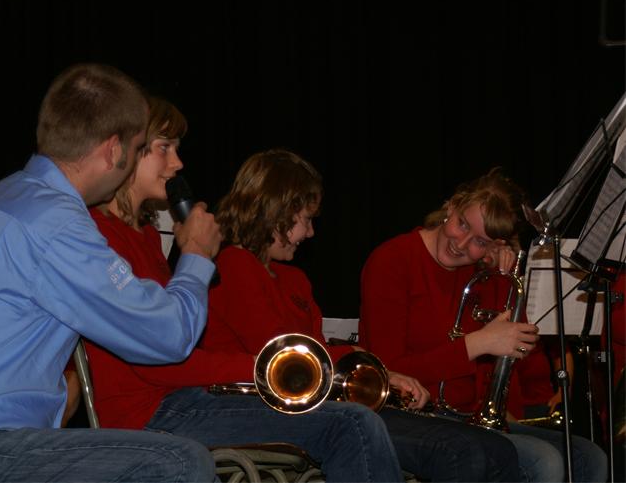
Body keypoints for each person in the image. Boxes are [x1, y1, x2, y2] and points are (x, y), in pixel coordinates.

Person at [0, 63, 222, 483]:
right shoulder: (53, 222)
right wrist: (196, 255)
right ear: (112, 150)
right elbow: (168, 334)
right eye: (137, 150)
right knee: (181, 463)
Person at [85, 98, 404, 483]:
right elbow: (156, 358)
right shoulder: (100, 235)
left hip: (182, 398)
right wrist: (263, 368)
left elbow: (179, 346)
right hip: (150, 412)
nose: (177, 163)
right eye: (164, 147)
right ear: (128, 151)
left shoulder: (147, 237)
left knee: (359, 421)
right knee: (351, 425)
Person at [204, 149, 523, 482]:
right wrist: (361, 359)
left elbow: (315, 354)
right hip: (261, 408)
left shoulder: (294, 279)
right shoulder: (234, 265)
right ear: (276, 213)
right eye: (306, 220)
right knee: (460, 450)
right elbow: (287, 358)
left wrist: (381, 373)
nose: (310, 233)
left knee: (497, 449)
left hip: (310, 405)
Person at [359, 167, 608, 482]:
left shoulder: (486, 274)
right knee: (542, 462)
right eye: (462, 223)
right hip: (411, 415)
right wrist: (476, 344)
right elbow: (386, 369)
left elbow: (518, 347)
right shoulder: (393, 260)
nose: (461, 243)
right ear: (452, 206)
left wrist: (504, 279)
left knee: (589, 458)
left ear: (495, 244)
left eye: (479, 241)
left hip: (467, 418)